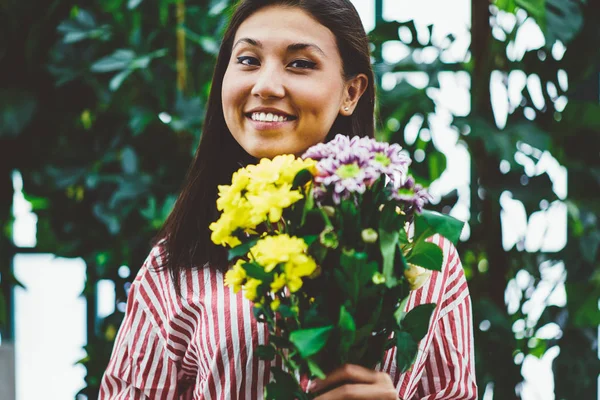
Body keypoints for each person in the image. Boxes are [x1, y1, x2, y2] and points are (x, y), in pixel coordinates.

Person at [99, 0, 477, 399]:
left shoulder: (420, 254)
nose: (265, 85)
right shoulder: (174, 266)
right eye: (247, 60)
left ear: (352, 91)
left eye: (299, 64)